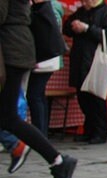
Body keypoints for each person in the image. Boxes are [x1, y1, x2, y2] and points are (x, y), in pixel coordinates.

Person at [1, 0, 78, 178]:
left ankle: (58, 160)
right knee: (7, 116)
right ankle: (54, 159)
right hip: (14, 49)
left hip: (12, 52)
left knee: (8, 117)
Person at [64, 0, 107, 145]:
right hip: (80, 59)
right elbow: (66, 29)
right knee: (83, 98)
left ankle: (100, 132)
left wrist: (87, 29)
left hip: (96, 61)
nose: (83, 2)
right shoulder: (81, 12)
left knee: (96, 98)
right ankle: (89, 131)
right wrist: (73, 26)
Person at [26, 0, 65, 140]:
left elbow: (43, 33)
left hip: (44, 57)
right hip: (49, 56)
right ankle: (42, 133)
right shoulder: (53, 7)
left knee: (34, 95)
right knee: (39, 95)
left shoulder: (46, 8)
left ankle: (39, 135)